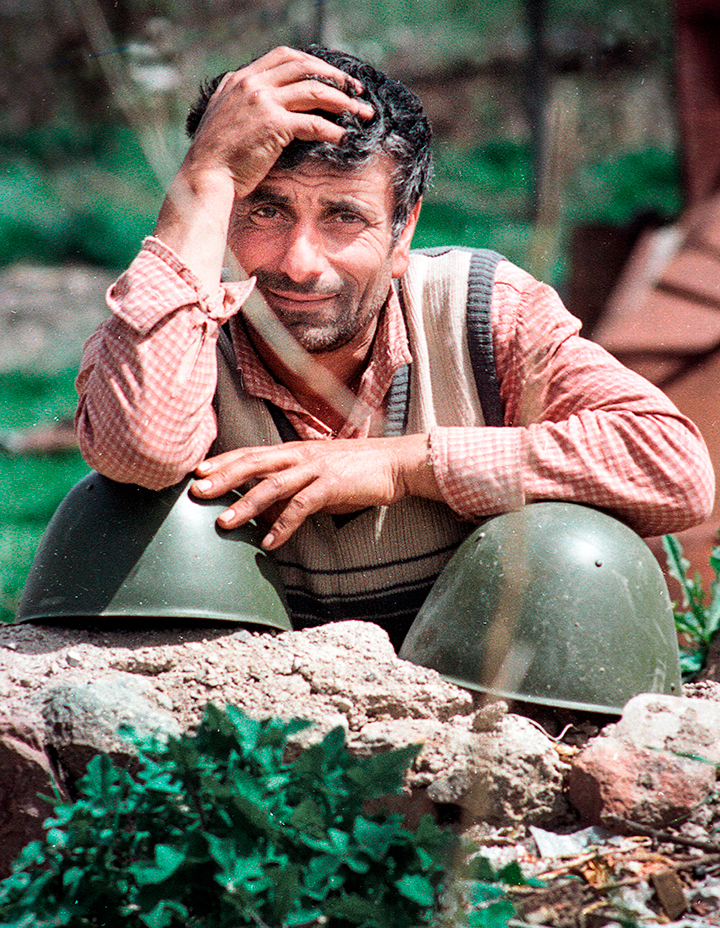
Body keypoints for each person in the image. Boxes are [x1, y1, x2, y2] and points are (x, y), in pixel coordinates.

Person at [75, 44, 714, 649]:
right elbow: (142, 449)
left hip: (486, 725)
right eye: (263, 212)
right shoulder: (178, 327)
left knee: (571, 546)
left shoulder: (482, 310)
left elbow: (674, 469)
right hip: (249, 739)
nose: (300, 264)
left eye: (343, 217)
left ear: (402, 229)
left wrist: (405, 465)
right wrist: (206, 172)